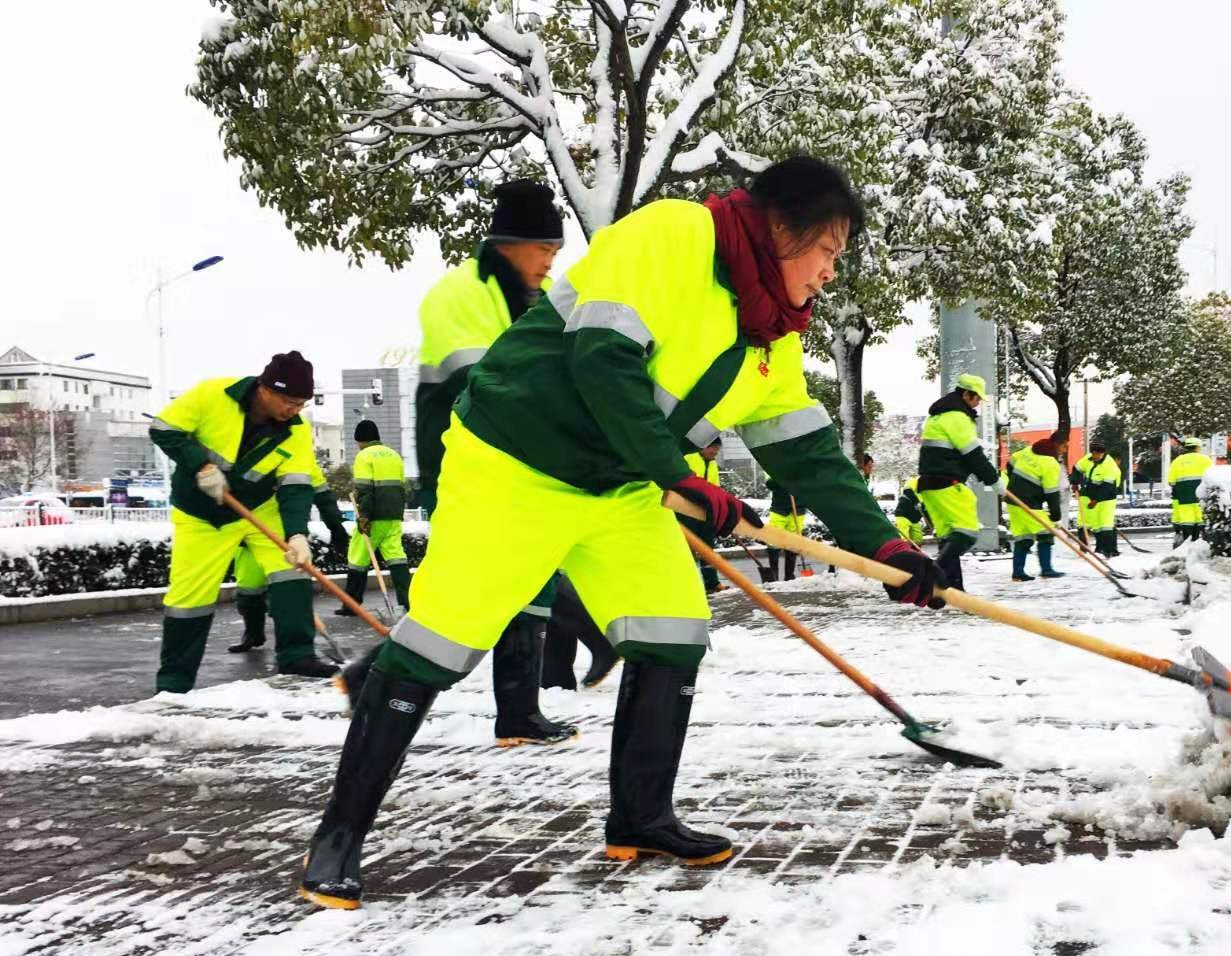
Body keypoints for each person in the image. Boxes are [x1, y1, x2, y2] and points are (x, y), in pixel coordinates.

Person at [299, 156, 947, 909]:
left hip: (622, 488)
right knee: (440, 644)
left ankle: (640, 817)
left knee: (672, 631)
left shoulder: (771, 337)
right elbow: (603, 360)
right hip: (516, 465)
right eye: (828, 250)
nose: (831, 272)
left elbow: (807, 452)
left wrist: (887, 548)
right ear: (782, 226)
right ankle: (338, 836)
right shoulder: (676, 234)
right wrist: (677, 475)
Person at [379, 177, 577, 750]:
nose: (550, 262)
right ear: (508, 243)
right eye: (543, 249)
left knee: (530, 584)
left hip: (529, 465)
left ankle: (519, 712)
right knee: (465, 593)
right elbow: (486, 382)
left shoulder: (545, 299)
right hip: (465, 465)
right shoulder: (458, 294)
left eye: (556, 251)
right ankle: (373, 681)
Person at [149, 351, 339, 691]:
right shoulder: (212, 395)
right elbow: (163, 428)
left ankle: (297, 655)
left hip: (260, 506)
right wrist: (201, 466)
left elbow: (296, 485)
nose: (294, 411)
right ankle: (175, 681)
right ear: (265, 389)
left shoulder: (296, 429)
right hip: (202, 513)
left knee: (292, 569)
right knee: (189, 597)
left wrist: (297, 534)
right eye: (289, 402)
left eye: (301, 404)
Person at [229, 460, 350, 653]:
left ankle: (295, 650)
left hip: (284, 539)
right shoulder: (239, 455)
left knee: (287, 592)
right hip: (247, 538)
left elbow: (322, 495)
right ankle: (253, 633)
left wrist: (335, 525)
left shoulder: (298, 458)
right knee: (248, 591)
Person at [917, 373, 1000, 590]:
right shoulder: (957, 417)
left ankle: (952, 589)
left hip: (930, 485)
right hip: (947, 484)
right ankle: (931, 574)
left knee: (949, 538)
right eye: (976, 397)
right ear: (966, 394)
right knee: (966, 533)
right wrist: (994, 480)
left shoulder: (938, 417)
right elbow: (972, 454)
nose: (978, 402)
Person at [333, 420, 412, 612]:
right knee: (396, 556)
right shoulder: (394, 455)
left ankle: (352, 605)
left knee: (357, 557)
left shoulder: (364, 456)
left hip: (373, 516)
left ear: (360, 439)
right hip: (394, 516)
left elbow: (364, 490)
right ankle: (408, 602)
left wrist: (364, 517)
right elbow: (401, 489)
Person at [1007, 435, 1065, 580]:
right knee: (1046, 533)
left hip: (1012, 499)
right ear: (1056, 444)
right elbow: (1052, 493)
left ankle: (1018, 573)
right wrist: (1055, 515)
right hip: (1028, 503)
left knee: (1023, 537)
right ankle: (1047, 570)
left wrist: (1014, 481)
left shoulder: (1027, 451)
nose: (1064, 450)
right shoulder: (1050, 463)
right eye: (1064, 446)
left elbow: (1010, 462)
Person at [677, 438, 726, 593]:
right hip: (686, 512)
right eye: (713, 448)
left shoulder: (713, 464)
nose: (715, 452)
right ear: (703, 446)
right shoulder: (688, 458)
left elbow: (716, 488)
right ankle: (688, 584)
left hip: (706, 513)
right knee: (687, 549)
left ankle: (712, 583)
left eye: (717, 449)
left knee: (708, 549)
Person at [1070, 437, 1123, 558]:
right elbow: (1077, 469)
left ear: (1103, 453)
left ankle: (1108, 551)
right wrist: (1074, 482)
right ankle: (1095, 549)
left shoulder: (1109, 465)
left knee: (1105, 524)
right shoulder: (1087, 459)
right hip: (1089, 492)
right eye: (1093, 453)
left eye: (1097, 454)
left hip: (1107, 497)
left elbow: (1108, 487)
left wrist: (1096, 500)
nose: (1095, 456)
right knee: (1092, 523)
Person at [1167, 436, 1214, 547]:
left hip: (1184, 498)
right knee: (1201, 520)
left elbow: (1171, 482)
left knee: (1187, 521)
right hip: (1202, 497)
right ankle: (1202, 543)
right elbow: (1213, 480)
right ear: (1198, 447)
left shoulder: (1177, 461)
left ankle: (1187, 544)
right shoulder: (1206, 460)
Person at [765, 477, 808, 580]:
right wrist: (783, 480)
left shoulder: (806, 472)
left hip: (798, 511)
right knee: (773, 543)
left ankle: (789, 575)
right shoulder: (778, 470)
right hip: (779, 510)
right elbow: (769, 484)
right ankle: (774, 575)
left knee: (792, 544)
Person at [893, 479, 929, 545]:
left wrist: (930, 525)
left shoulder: (927, 495)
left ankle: (915, 550)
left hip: (915, 519)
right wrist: (917, 501)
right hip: (903, 516)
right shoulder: (915, 481)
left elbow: (926, 511)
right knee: (904, 539)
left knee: (918, 540)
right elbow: (907, 490)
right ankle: (904, 550)